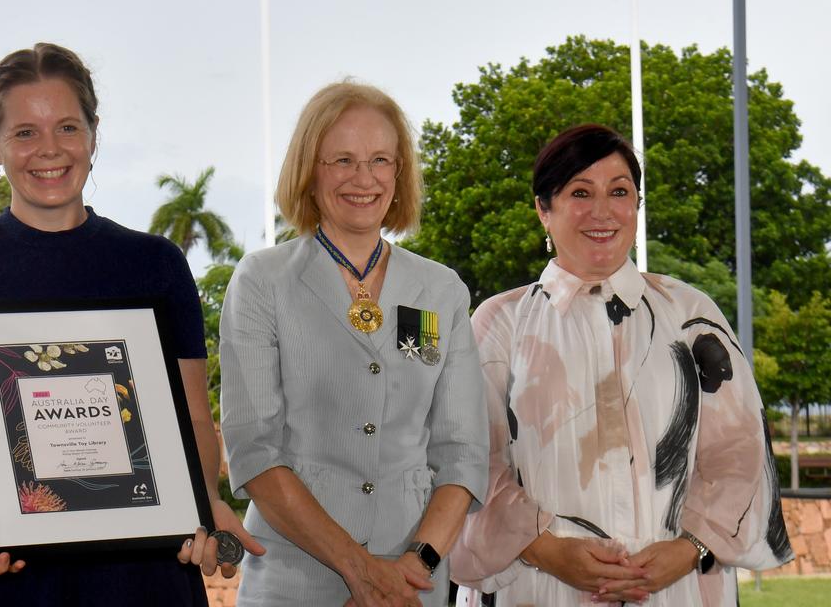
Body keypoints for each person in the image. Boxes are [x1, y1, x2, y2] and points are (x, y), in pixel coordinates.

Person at [0, 42, 259, 606]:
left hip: (130, 574)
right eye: (25, 133)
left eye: (66, 126)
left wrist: (201, 499)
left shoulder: (155, 265)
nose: (50, 150)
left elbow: (191, 422)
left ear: (93, 133)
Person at [449, 124, 793, 605]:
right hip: (535, 585)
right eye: (580, 193)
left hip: (679, 587)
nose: (602, 211)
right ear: (542, 210)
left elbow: (739, 449)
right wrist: (546, 550)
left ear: (636, 205)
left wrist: (688, 547)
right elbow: (470, 460)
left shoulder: (691, 315)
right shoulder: (499, 323)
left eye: (619, 192)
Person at [219, 81, 488, 607]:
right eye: (341, 159)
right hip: (294, 581)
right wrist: (361, 571)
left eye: (380, 160)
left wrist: (415, 567)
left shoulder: (439, 291)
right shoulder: (261, 282)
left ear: (399, 173)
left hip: (415, 585)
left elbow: (463, 454)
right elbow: (255, 450)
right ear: (309, 172)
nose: (363, 179)